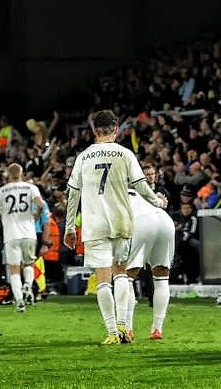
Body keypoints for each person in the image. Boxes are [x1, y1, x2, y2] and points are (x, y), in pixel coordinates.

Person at [64, 109, 160, 346]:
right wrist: (157, 202)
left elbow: (73, 194)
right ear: (116, 129)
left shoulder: (83, 157)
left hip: (95, 224)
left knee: (103, 280)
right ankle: (124, 326)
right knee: (122, 275)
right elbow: (141, 185)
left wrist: (69, 228)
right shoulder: (125, 154)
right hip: (121, 221)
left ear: (94, 130)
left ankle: (112, 332)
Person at [122, 163, 175, 342]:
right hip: (165, 222)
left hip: (143, 223)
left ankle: (127, 328)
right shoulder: (150, 193)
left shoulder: (121, 193)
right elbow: (162, 202)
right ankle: (157, 330)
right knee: (161, 277)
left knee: (127, 277)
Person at [0, 162, 46, 313]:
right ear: (21, 173)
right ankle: (28, 284)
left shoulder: (1, 191)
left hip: (11, 234)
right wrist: (36, 214)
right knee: (28, 263)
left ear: (8, 174)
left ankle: (20, 301)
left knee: (14, 269)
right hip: (28, 232)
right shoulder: (31, 188)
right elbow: (41, 204)